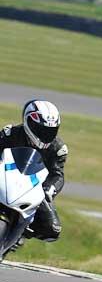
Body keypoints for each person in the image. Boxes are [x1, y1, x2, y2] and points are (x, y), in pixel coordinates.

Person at [0, 100, 67, 244]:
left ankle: (20, 235)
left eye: (50, 131)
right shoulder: (10, 134)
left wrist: (50, 189)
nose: (46, 135)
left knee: (52, 229)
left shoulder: (58, 149)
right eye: (41, 129)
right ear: (28, 122)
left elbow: (58, 174)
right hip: (5, 177)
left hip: (34, 188)